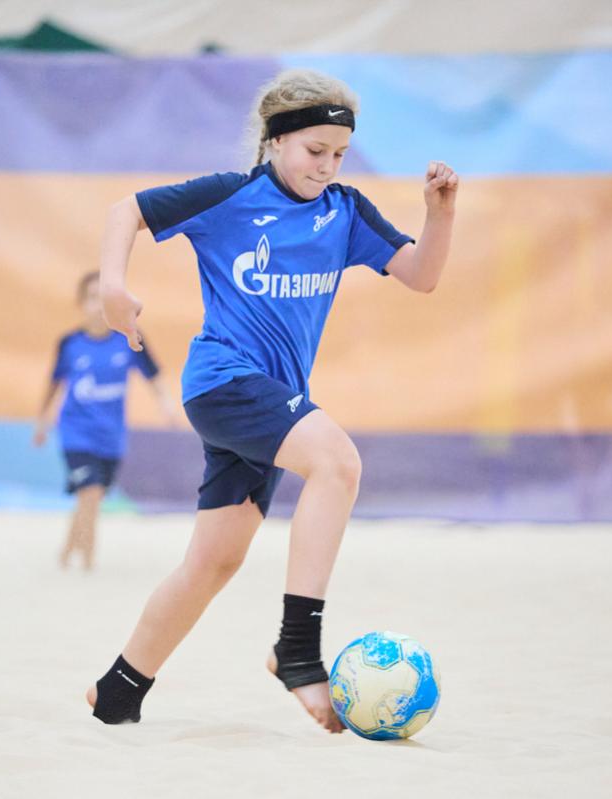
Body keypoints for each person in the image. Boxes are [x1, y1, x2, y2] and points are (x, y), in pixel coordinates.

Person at [88, 69, 458, 732]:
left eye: (339, 153)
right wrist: (113, 285)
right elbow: (127, 212)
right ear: (275, 140)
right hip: (223, 382)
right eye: (315, 150)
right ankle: (297, 648)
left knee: (213, 561)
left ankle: (118, 690)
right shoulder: (231, 196)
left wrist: (441, 214)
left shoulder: (344, 212)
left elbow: (422, 276)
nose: (327, 165)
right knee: (337, 462)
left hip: (272, 400)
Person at [33, 271, 178, 571]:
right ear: (80, 303)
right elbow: (53, 384)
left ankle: (67, 550)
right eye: (91, 298)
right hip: (75, 433)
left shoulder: (129, 339)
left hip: (111, 437)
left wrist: (167, 406)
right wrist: (41, 423)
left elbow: (154, 376)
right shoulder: (70, 344)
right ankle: (88, 563)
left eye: (104, 297)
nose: (98, 305)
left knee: (92, 497)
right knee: (90, 492)